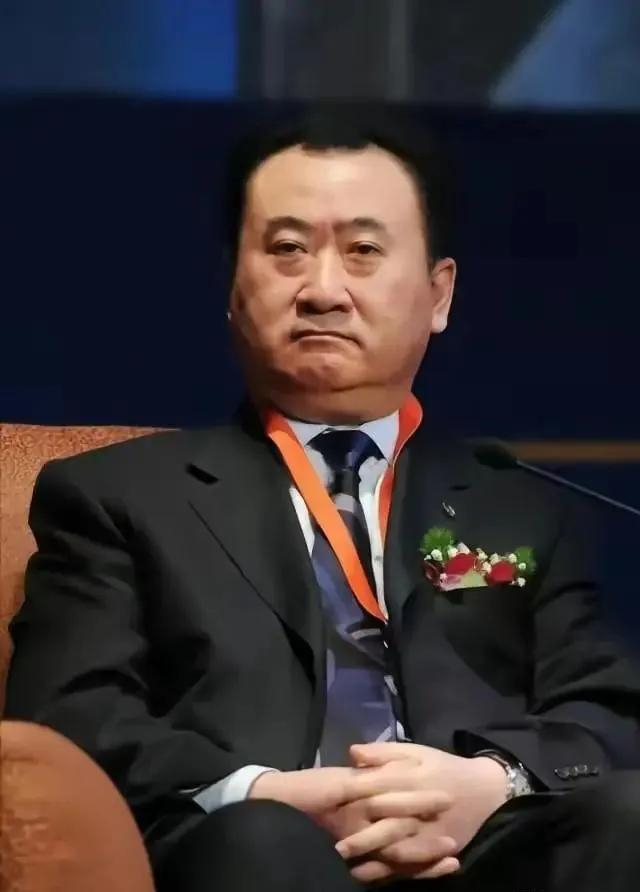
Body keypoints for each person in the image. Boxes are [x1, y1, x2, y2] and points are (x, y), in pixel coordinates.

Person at [6, 109, 640, 892]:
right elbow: (67, 717)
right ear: (234, 288)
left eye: (364, 251)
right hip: (253, 846)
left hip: (482, 846)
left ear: (439, 294)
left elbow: (611, 710)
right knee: (264, 842)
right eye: (287, 250)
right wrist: (265, 791)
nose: (323, 290)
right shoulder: (118, 498)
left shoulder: (519, 506)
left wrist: (494, 780)